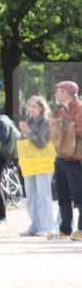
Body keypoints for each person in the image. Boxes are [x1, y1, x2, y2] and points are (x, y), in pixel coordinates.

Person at [17, 95, 56, 237]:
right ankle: (35, 225)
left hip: (42, 163)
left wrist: (27, 131)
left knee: (43, 196)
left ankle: (46, 227)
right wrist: (23, 132)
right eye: (29, 106)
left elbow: (41, 143)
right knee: (31, 196)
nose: (31, 109)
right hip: (30, 164)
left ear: (41, 108)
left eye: (34, 106)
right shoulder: (29, 121)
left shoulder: (46, 121)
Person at [50, 81, 82, 240]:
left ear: (67, 93)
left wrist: (62, 125)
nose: (56, 94)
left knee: (79, 194)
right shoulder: (62, 110)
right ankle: (65, 228)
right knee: (62, 195)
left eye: (58, 91)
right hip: (61, 156)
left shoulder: (80, 108)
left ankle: (81, 229)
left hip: (75, 158)